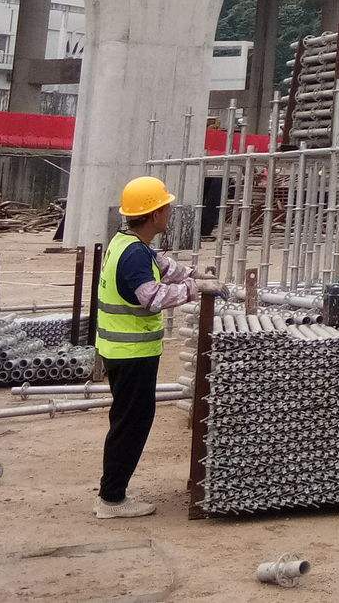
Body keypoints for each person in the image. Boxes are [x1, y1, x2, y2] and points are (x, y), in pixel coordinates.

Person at [94, 176, 216, 518]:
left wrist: (194, 274)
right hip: (131, 355)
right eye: (166, 207)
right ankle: (111, 499)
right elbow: (154, 297)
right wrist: (197, 290)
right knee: (130, 425)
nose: (170, 212)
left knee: (128, 421)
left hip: (124, 353)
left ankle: (112, 493)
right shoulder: (133, 254)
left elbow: (163, 266)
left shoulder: (128, 242)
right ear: (154, 214)